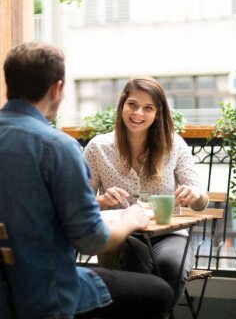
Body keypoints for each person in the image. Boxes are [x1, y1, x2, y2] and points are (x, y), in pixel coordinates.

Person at [0, 42, 174, 319]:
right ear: (57, 89)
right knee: (159, 291)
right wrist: (130, 219)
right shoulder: (58, 148)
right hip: (39, 296)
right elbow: (91, 241)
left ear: (9, 82)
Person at [83, 76, 208, 305]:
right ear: (122, 105)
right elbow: (81, 204)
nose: (138, 113)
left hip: (169, 234)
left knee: (170, 265)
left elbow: (201, 201)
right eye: (132, 104)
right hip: (121, 234)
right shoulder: (98, 148)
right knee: (135, 258)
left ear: (158, 113)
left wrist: (195, 194)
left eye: (148, 108)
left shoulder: (174, 145)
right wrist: (101, 200)